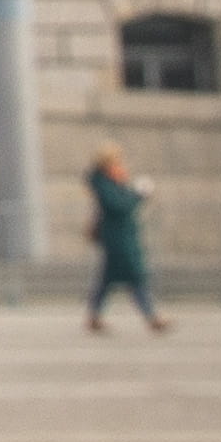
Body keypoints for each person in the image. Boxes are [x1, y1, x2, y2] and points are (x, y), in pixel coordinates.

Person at [84, 142, 168, 334]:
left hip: (120, 237)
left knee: (108, 280)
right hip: (117, 239)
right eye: (116, 162)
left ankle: (94, 316)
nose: (121, 166)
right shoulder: (104, 184)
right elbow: (118, 205)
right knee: (135, 277)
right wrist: (138, 195)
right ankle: (151, 316)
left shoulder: (110, 182)